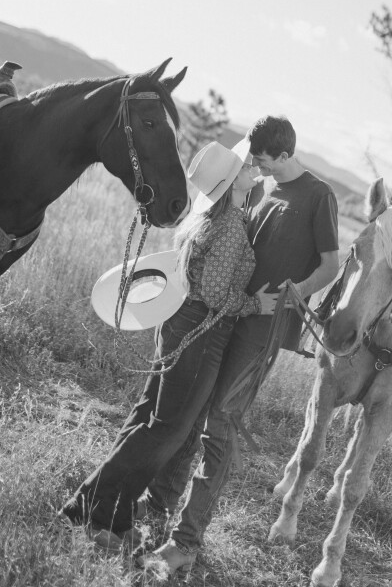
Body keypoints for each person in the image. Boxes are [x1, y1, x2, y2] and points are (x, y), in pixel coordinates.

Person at [138, 115, 340, 576]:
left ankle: (185, 542)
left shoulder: (319, 195)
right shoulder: (261, 188)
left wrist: (298, 291)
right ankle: (159, 504)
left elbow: (330, 265)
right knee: (192, 414)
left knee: (220, 426)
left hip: (262, 330)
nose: (256, 166)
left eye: (263, 160)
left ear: (285, 154)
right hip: (227, 316)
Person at [60, 141, 278, 551]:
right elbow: (215, 293)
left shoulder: (210, 218)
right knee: (167, 429)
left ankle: (115, 513)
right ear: (231, 181)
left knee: (149, 416)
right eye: (244, 167)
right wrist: (256, 304)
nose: (252, 168)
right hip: (202, 333)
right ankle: (87, 508)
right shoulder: (230, 227)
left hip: (182, 323)